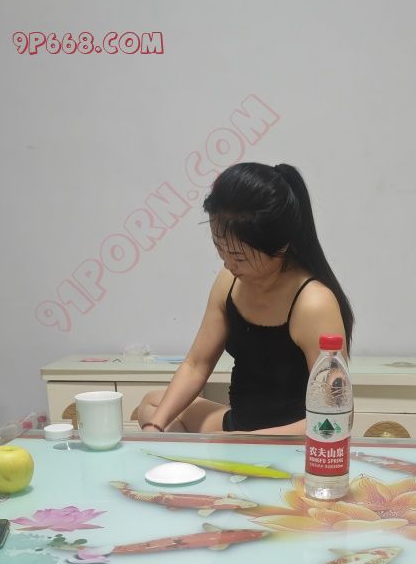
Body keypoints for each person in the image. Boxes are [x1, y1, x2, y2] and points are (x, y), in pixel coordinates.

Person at [137, 162, 354, 434]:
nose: (228, 264)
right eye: (220, 249)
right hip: (238, 429)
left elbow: (336, 418)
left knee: (175, 423)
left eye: (238, 256)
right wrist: (155, 427)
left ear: (281, 246)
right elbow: (196, 365)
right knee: (152, 407)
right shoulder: (229, 282)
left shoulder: (313, 303)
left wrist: (246, 442)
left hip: (293, 439)